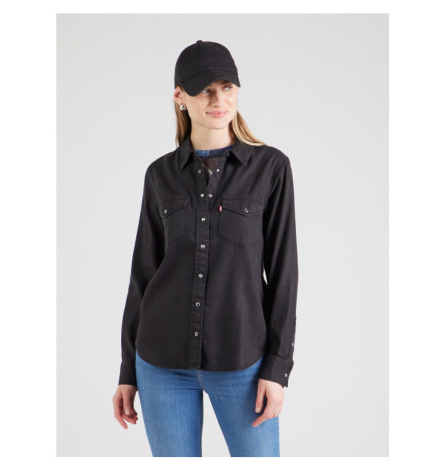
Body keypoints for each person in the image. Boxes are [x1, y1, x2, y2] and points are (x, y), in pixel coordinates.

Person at [112, 40, 298, 457]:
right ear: (180, 96)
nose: (219, 100)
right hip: (160, 363)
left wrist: (277, 367)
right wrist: (128, 369)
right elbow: (143, 275)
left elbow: (284, 275)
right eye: (205, 90)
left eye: (227, 87)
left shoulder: (271, 168)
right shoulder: (160, 174)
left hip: (242, 360)